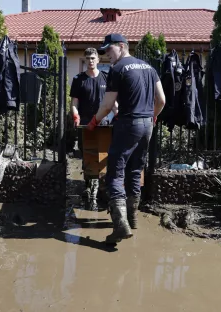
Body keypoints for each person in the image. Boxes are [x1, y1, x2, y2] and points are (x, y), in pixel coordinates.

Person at [87, 33, 166, 244]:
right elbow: (162, 100)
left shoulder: (118, 69)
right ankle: (133, 218)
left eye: (109, 50)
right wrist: (153, 116)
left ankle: (120, 224)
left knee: (115, 170)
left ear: (122, 46)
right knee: (134, 169)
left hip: (128, 124)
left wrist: (94, 122)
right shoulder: (149, 68)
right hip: (147, 125)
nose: (106, 55)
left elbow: (106, 105)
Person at [70, 47, 117, 210]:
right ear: (85, 60)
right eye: (88, 58)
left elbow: (113, 102)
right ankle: (89, 186)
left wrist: (117, 114)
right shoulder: (79, 79)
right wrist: (75, 116)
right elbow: (74, 103)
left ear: (98, 60)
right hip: (85, 125)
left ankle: (102, 188)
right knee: (87, 155)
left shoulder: (106, 77)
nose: (90, 61)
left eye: (93, 58)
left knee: (103, 155)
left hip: (104, 124)